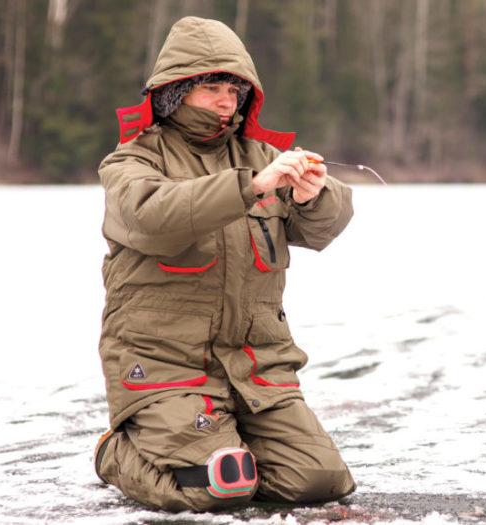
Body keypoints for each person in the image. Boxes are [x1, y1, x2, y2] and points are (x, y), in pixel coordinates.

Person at [93, 16, 356, 512]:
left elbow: (321, 228)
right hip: (166, 369)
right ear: (174, 92)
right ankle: (116, 453)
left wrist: (317, 195)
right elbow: (151, 217)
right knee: (217, 487)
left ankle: (231, 446)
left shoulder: (262, 155)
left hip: (256, 370)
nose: (226, 102)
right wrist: (250, 185)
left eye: (234, 90)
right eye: (211, 88)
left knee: (319, 480)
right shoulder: (132, 161)